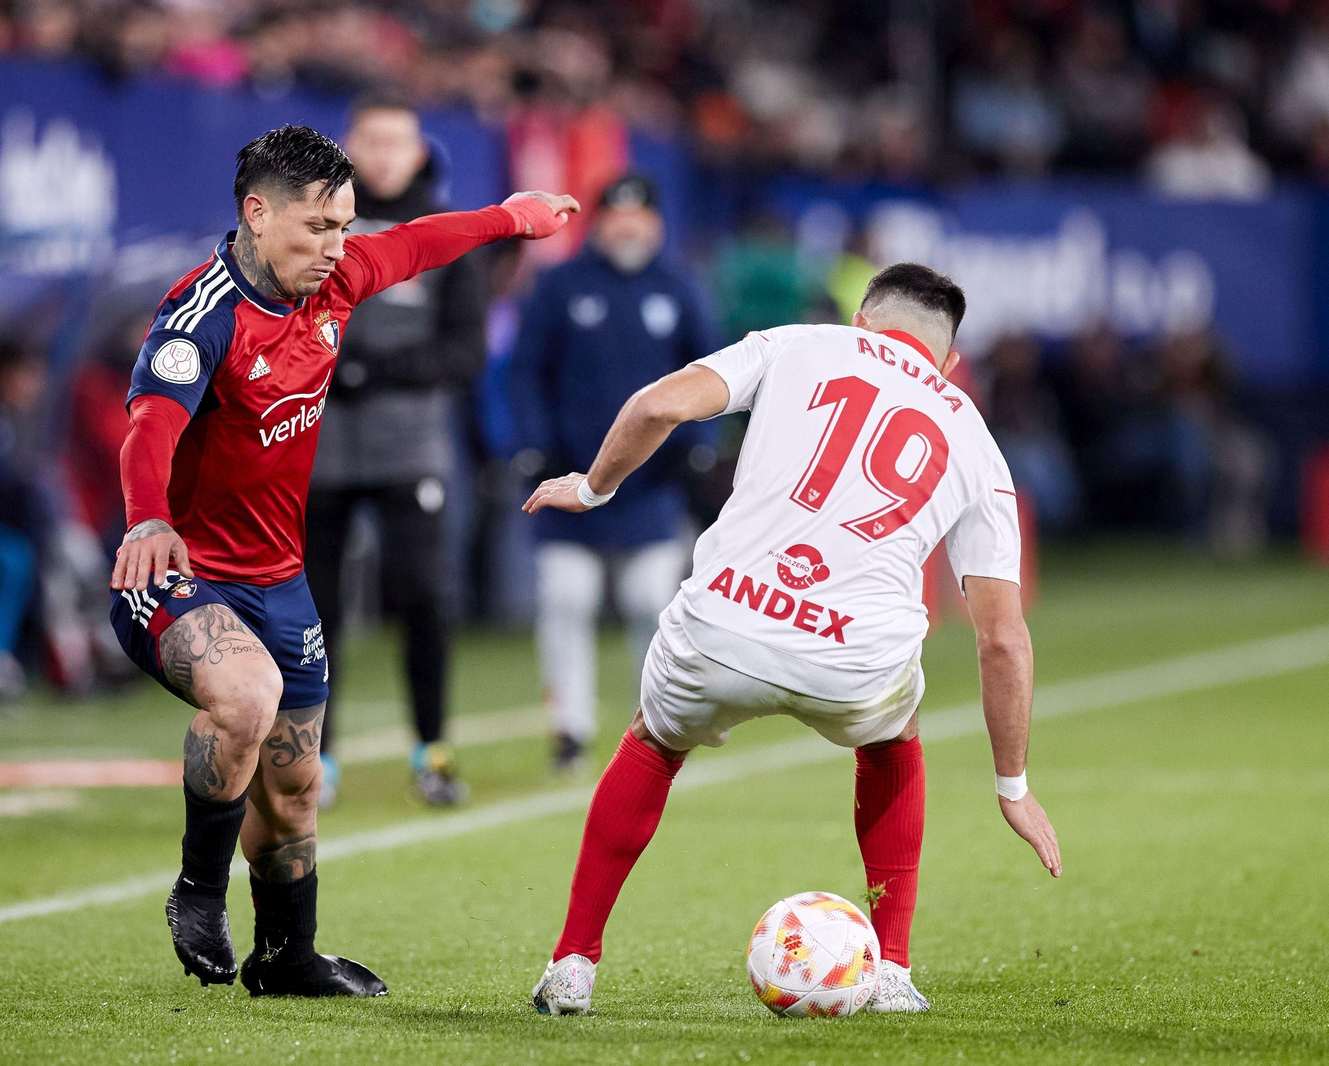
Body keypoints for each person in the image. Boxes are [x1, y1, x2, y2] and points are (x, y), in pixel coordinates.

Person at [107, 123, 576, 997]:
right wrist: (145, 524)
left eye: (344, 225)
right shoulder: (201, 315)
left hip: (279, 581)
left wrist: (511, 217)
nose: (337, 247)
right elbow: (151, 427)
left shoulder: (340, 278)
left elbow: (417, 242)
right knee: (246, 696)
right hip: (176, 571)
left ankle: (287, 958)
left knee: (292, 794)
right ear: (257, 213)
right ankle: (198, 893)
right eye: (317, 228)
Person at [524, 264, 1061, 1016]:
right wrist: (1014, 786)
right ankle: (895, 971)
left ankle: (574, 963)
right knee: (893, 736)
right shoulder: (973, 435)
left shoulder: (797, 344)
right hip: (852, 663)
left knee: (652, 742)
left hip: (723, 629)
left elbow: (657, 405)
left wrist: (592, 488)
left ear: (863, 324)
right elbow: (1002, 637)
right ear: (945, 361)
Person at [304, 96, 489, 808]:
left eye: (396, 142)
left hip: (410, 449)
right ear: (349, 146)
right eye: (370, 140)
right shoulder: (313, 222)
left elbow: (465, 350)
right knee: (315, 613)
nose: (383, 155)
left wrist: (369, 370)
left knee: (423, 598)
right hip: (316, 447)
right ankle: (315, 759)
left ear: (417, 152)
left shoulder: (440, 232)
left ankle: (432, 750)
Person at [507, 175, 720, 773]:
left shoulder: (680, 287)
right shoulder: (559, 284)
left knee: (651, 604)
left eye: (639, 216)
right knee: (566, 599)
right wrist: (530, 445)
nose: (627, 227)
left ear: (656, 223)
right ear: (599, 222)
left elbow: (714, 373)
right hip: (567, 477)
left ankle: (654, 726)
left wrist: (697, 446)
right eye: (616, 216)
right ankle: (569, 730)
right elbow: (523, 371)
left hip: (648, 487)